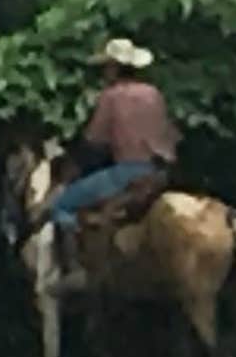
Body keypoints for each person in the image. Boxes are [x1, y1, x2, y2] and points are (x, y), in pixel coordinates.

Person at [45, 37, 179, 250]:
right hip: (160, 174)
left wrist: (75, 161)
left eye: (107, 67)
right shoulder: (154, 94)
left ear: (114, 68)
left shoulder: (111, 96)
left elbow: (93, 141)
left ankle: (76, 267)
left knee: (62, 205)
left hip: (127, 173)